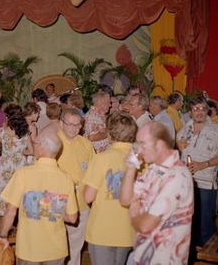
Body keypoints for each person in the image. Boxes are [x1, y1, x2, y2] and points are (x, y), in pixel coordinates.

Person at [0, 128, 78, 265]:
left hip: (29, 249)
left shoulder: (23, 174)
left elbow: (10, 211)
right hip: (56, 249)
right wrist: (50, 206)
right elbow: (72, 218)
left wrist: (2, 235)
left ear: (40, 148)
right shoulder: (66, 178)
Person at [120, 122, 194, 265]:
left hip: (163, 259)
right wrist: (131, 169)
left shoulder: (177, 176)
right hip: (142, 252)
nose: (138, 150)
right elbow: (125, 200)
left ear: (159, 145)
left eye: (143, 144)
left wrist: (134, 214)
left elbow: (145, 225)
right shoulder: (153, 169)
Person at [83, 112, 137, 265]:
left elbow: (88, 197)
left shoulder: (101, 158)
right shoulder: (140, 159)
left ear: (109, 133)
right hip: (127, 229)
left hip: (102, 229)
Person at [177, 97, 218, 246]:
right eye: (195, 109)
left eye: (202, 108)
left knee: (205, 227)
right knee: (186, 226)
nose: (199, 112)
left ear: (207, 110)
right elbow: (180, 148)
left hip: (205, 185)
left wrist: (204, 164)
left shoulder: (215, 130)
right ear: (190, 112)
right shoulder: (184, 129)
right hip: (185, 184)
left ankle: (208, 258)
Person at [58, 108, 95, 265]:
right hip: (57, 203)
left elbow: (94, 172)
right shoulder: (53, 142)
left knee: (75, 245)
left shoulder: (86, 144)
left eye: (77, 125)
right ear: (61, 124)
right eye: (69, 124)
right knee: (56, 246)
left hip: (81, 203)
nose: (73, 128)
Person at [0, 113, 32, 213]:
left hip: (5, 165)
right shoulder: (25, 134)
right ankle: (17, 214)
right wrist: (21, 152)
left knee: (2, 189)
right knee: (18, 190)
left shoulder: (2, 132)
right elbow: (31, 151)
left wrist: (6, 152)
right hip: (19, 165)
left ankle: (0, 213)